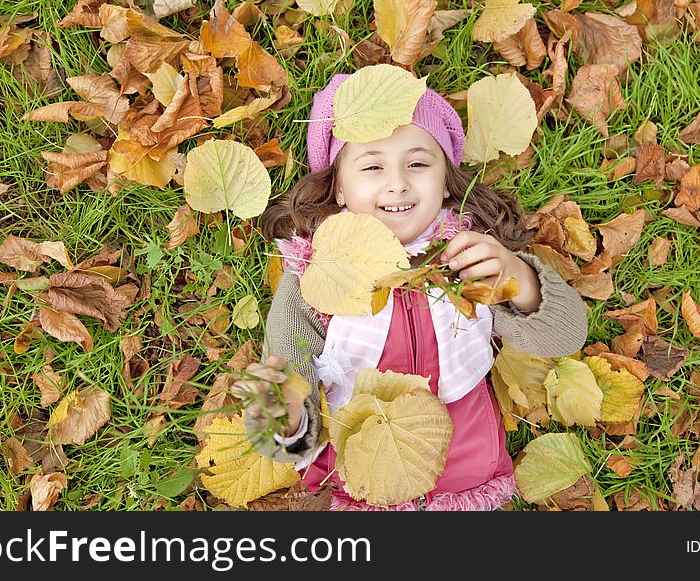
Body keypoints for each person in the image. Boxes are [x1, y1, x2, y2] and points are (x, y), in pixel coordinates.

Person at [234, 69, 588, 511]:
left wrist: (518, 276)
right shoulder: (315, 272)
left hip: (464, 468)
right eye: (372, 166)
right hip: (360, 470)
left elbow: (566, 338)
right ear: (340, 188)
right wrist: (284, 418)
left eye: (418, 163)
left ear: (445, 182)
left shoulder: (467, 255)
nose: (398, 181)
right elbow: (293, 372)